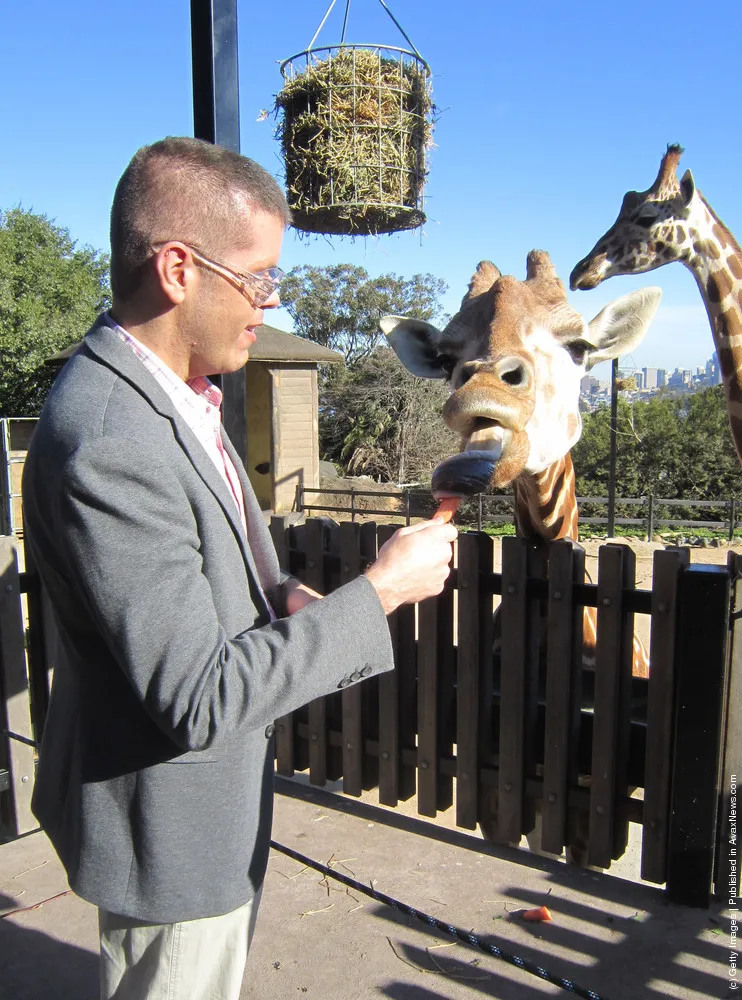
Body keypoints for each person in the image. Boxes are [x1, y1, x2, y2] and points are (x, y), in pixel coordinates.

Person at [21, 136, 457, 999]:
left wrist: (280, 595)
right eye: (258, 277)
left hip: (205, 812)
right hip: (169, 831)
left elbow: (200, 565)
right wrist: (382, 592)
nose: (269, 302)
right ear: (179, 269)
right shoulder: (113, 437)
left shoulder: (179, 389)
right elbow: (201, 698)